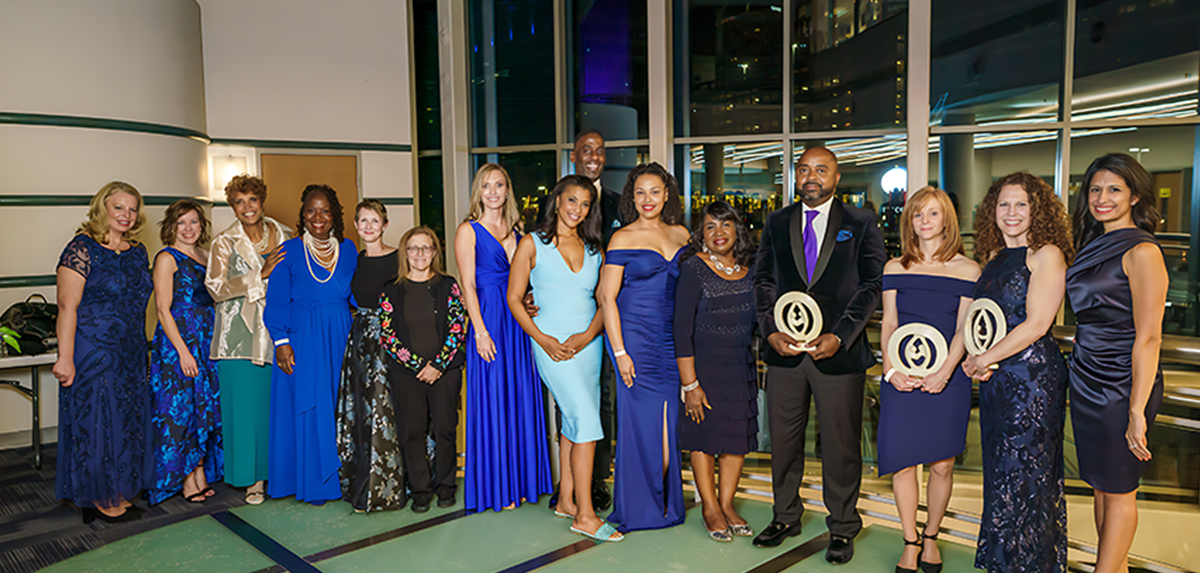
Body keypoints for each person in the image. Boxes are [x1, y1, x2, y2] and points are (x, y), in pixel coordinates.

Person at [751, 147, 885, 564]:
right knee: (783, 442)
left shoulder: (861, 222)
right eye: (804, 169)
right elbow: (763, 280)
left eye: (820, 169)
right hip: (785, 354)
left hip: (838, 356)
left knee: (841, 446)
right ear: (795, 176)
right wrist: (770, 331)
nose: (811, 176)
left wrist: (840, 337)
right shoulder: (776, 221)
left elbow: (872, 284)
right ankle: (785, 516)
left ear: (836, 177)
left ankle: (842, 525)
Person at [961, 172, 1072, 572]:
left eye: (1021, 204)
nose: (1011, 212)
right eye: (1003, 204)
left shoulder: (1046, 254)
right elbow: (984, 322)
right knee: (1001, 476)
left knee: (1029, 479)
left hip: (1033, 380)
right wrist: (977, 357)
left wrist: (984, 358)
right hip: (998, 380)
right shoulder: (993, 257)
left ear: (1036, 210)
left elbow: (1037, 324)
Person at [1065, 154, 1167, 573]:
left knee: (1120, 490)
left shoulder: (1143, 250)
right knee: (1101, 487)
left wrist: (1136, 411)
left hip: (1124, 383)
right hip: (1086, 375)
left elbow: (1150, 336)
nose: (1101, 198)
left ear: (1135, 196)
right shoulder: (1091, 245)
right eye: (1095, 189)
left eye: (1113, 189)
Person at [508, 175, 621, 541]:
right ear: (557, 201)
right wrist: (542, 339)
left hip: (589, 346)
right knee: (586, 421)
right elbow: (514, 299)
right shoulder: (532, 244)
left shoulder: (595, 248)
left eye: (585, 204)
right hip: (550, 345)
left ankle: (567, 501)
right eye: (572, 200)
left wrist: (587, 336)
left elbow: (605, 302)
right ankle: (585, 515)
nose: (578, 209)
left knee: (575, 424)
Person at [878, 187, 979, 572]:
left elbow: (963, 329)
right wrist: (891, 371)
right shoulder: (894, 267)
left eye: (932, 213)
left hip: (947, 379)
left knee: (942, 466)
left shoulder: (969, 270)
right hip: (900, 378)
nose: (924, 221)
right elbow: (889, 323)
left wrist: (944, 373)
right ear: (909, 221)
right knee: (904, 464)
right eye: (917, 214)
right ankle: (910, 540)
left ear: (946, 220)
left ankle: (931, 536)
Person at [53, 181, 154, 523]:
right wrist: (65, 357)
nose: (127, 215)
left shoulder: (138, 251)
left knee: (125, 421)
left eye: (133, 208)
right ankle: (97, 497)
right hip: (94, 350)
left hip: (131, 351)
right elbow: (67, 307)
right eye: (119, 207)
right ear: (102, 209)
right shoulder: (81, 248)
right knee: (97, 422)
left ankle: (118, 490)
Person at [598, 162, 691, 533]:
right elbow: (606, 297)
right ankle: (639, 508)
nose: (647, 199)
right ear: (631, 198)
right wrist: (620, 352)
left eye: (654, 191)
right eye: (640, 192)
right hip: (634, 340)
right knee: (639, 425)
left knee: (668, 427)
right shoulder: (622, 238)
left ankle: (659, 502)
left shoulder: (682, 234)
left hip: (671, 340)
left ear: (666, 195)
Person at [532, 129, 621, 512]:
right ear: (574, 155)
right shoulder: (552, 204)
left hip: (601, 322)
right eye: (587, 150)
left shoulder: (618, 204)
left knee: (602, 403)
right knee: (572, 409)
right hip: (557, 328)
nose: (594, 156)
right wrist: (535, 296)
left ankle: (592, 483)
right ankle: (573, 496)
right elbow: (537, 263)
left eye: (600, 151)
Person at [455, 163, 552, 512]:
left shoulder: (518, 230)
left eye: (499, 185)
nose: (492, 192)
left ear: (507, 190)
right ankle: (498, 487)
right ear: (478, 192)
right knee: (494, 396)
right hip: (488, 321)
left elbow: (522, 281)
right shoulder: (468, 230)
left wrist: (527, 300)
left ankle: (523, 482)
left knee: (520, 394)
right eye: (486, 185)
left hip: (516, 323)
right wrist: (480, 331)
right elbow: (467, 286)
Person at [264, 184, 357, 504]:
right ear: (302, 215)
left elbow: (359, 293)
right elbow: (276, 299)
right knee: (308, 404)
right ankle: (310, 482)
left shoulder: (349, 249)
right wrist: (281, 340)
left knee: (338, 404)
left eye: (325, 211)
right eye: (311, 210)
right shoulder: (288, 250)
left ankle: (342, 478)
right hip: (301, 337)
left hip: (340, 335)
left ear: (335, 216)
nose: (318, 217)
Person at [674, 200, 759, 543]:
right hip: (703, 369)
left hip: (740, 366)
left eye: (725, 224)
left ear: (737, 229)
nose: (719, 232)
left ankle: (727, 504)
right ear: (702, 234)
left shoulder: (750, 268)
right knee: (704, 437)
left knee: (736, 438)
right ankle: (710, 507)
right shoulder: (694, 268)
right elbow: (681, 330)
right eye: (710, 226)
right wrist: (690, 384)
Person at [205, 175, 290, 505]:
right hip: (238, 337)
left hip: (280, 332)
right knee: (245, 411)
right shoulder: (224, 242)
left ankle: (279, 474)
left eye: (252, 199)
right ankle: (253, 480)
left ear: (262, 201)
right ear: (232, 207)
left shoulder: (286, 234)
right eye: (239, 202)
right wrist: (258, 275)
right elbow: (215, 288)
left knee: (275, 408)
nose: (247, 207)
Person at [380, 226, 467, 512]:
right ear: (405, 253)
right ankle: (420, 490)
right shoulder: (391, 289)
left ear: (434, 252)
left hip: (446, 371)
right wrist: (419, 366)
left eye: (426, 247)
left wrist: (438, 365)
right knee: (412, 433)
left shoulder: (448, 285)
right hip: (407, 374)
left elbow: (457, 328)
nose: (420, 253)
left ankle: (446, 487)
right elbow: (388, 336)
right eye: (413, 248)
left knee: (445, 429)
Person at [148, 200, 223, 505]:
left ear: (202, 226)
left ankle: (200, 471)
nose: (188, 228)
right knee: (180, 410)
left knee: (203, 406)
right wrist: (183, 352)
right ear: (172, 226)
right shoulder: (167, 258)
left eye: (194, 222)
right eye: (181, 222)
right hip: (178, 341)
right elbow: (162, 309)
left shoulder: (207, 255)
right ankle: (186, 478)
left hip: (207, 337)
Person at [336, 199, 404, 512]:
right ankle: (363, 482)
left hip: (392, 340)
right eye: (362, 220)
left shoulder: (400, 258)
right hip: (361, 341)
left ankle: (390, 487)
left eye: (374, 220)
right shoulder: (355, 260)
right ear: (355, 225)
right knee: (363, 413)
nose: (368, 226)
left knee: (388, 410)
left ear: (385, 225)